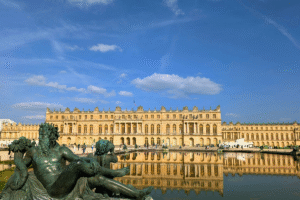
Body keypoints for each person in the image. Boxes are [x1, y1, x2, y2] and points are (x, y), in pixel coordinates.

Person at [2, 123, 136, 199]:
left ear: (52, 137)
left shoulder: (61, 150)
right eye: (41, 135)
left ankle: (137, 194)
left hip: (66, 182)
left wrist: (90, 160)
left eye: (45, 136)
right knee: (78, 165)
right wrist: (17, 153)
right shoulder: (33, 152)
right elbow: (21, 165)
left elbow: (79, 159)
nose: (42, 138)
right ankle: (117, 174)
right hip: (54, 190)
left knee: (99, 179)